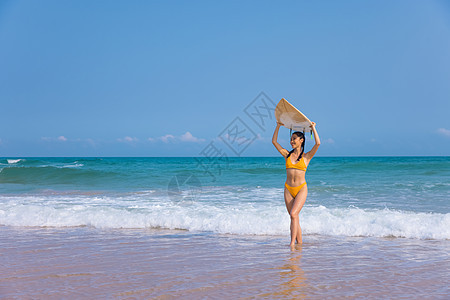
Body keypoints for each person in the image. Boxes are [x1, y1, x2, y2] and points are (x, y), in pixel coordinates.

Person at [272, 121, 320, 247]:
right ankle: (300, 244)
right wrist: (278, 126)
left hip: (301, 189)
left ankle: (292, 244)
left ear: (301, 140)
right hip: (288, 189)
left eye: (294, 139)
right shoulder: (287, 154)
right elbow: (274, 142)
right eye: (291, 139)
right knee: (294, 217)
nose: (291, 141)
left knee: (294, 214)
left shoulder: (307, 157)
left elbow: (318, 143)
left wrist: (313, 128)